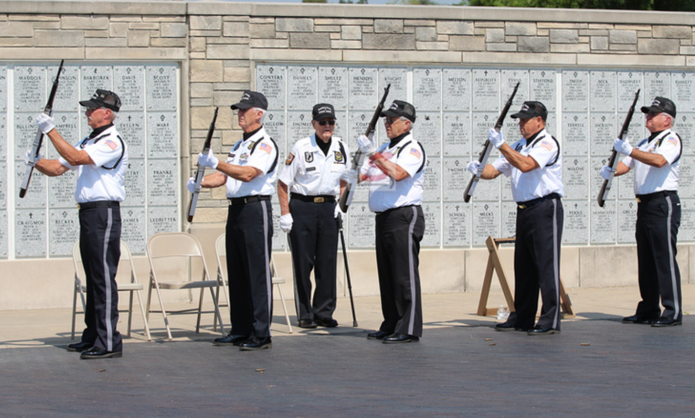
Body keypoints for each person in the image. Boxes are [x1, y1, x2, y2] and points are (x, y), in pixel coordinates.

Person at [28, 89, 126, 359]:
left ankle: (108, 342)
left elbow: (74, 158)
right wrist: (35, 162)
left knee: (103, 278)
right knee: (93, 278)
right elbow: (59, 167)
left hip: (103, 213)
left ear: (106, 113)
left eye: (91, 109)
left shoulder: (112, 141)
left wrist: (51, 130)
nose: (86, 112)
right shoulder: (91, 139)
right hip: (88, 214)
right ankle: (93, 336)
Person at [188, 91, 278, 350]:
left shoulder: (265, 144)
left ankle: (261, 333)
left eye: (244, 110)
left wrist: (216, 162)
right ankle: (240, 328)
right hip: (236, 210)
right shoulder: (240, 146)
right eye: (238, 110)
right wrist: (199, 183)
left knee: (257, 272)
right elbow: (226, 178)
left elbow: (249, 174)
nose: (239, 114)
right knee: (237, 273)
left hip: (255, 209)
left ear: (258, 113)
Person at [467, 101, 564, 335]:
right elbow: (496, 171)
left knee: (546, 266)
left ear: (539, 121)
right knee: (524, 266)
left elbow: (527, 165)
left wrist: (501, 145)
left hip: (544, 207)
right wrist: (479, 169)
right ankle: (523, 316)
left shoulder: (547, 143)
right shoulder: (521, 144)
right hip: (525, 209)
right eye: (519, 120)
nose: (520, 124)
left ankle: (550, 320)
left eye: (525, 119)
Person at [600, 97, 683, 327]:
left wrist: (630, 150)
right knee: (646, 260)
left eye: (653, 114)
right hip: (644, 205)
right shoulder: (645, 142)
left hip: (662, 203)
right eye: (647, 113)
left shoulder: (671, 139)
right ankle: (648, 309)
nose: (648, 117)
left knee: (664, 258)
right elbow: (627, 164)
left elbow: (659, 161)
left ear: (667, 120)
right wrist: (611, 171)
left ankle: (673, 311)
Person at [353, 100, 426, 344]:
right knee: (387, 275)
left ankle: (408, 327)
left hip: (404, 216)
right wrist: (350, 169)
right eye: (386, 119)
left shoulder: (412, 148)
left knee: (404, 275)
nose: (387, 124)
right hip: (383, 217)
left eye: (391, 120)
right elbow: (362, 175)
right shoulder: (385, 147)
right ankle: (391, 323)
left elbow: (399, 173)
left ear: (407, 124)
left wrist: (373, 153)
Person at [277, 103, 349, 329]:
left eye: (331, 122)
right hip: (303, 207)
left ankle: (323, 312)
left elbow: (345, 180)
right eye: (322, 122)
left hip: (328, 208)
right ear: (313, 124)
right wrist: (285, 213)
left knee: (327, 262)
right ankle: (305, 313)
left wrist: (341, 204)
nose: (327, 126)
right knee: (303, 262)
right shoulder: (301, 147)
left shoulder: (341, 147)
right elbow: (282, 183)